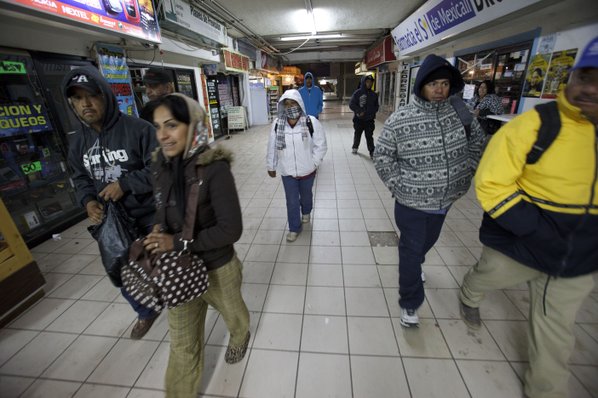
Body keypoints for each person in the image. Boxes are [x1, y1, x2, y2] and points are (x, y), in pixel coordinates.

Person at [458, 37, 598, 398]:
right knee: (487, 275)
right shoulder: (536, 126)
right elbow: (490, 181)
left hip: (579, 257)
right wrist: (534, 229)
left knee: (556, 332)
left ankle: (544, 391)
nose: (593, 89)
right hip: (523, 242)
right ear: (572, 77)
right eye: (587, 76)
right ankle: (469, 294)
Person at [143, 93, 250, 397]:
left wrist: (175, 242)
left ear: (193, 126)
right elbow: (163, 205)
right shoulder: (160, 166)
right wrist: (158, 228)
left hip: (217, 267)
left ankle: (241, 335)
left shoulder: (215, 169)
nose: (162, 135)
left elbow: (231, 229)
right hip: (179, 272)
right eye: (158, 126)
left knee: (233, 313)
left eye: (172, 125)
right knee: (182, 345)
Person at [373, 54, 484, 328]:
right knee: (410, 250)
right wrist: (398, 185)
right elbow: (383, 156)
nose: (439, 90)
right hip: (410, 202)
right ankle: (410, 303)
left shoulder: (460, 115)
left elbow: (478, 143)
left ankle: (416, 264)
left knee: (427, 243)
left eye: (445, 84)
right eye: (433, 83)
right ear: (421, 85)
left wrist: (467, 171)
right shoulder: (401, 119)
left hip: (445, 201)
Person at [63, 66, 160, 339]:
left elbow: (160, 167)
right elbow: (80, 177)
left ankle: (178, 307)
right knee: (120, 271)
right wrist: (88, 202)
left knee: (163, 266)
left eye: (91, 95)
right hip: (112, 224)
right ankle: (145, 311)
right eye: (78, 98)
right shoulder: (77, 143)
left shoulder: (139, 129)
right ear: (71, 104)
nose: (86, 103)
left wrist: (125, 184)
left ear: (105, 95)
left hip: (150, 214)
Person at [266, 89, 327, 242]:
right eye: (286, 104)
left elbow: (321, 145)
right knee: (291, 201)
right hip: (287, 171)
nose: (290, 106)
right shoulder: (277, 124)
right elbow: (272, 146)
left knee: (306, 196)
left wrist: (314, 163)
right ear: (282, 106)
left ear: (299, 104)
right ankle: (294, 228)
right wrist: (271, 166)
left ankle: (306, 211)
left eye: (293, 103)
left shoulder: (310, 122)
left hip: (307, 170)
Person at [349, 75, 379, 158]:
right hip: (359, 120)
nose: (369, 84)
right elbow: (351, 104)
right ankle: (355, 147)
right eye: (367, 82)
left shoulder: (374, 95)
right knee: (357, 134)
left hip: (369, 120)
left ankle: (372, 151)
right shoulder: (357, 93)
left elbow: (376, 106)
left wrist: (372, 112)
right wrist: (359, 111)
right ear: (363, 82)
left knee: (369, 136)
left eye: (371, 82)